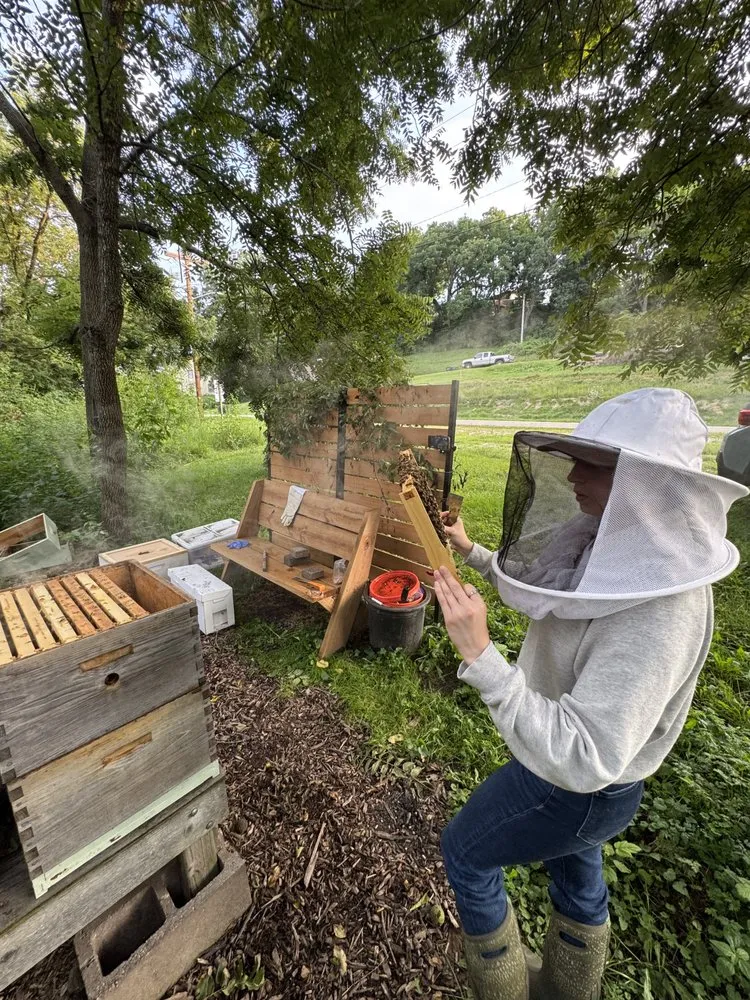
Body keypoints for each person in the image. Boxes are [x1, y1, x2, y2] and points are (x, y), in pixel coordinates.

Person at [432, 388, 748, 1000]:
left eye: (596, 465)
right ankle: (570, 990)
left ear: (648, 484)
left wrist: (482, 657)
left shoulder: (663, 608)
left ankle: (503, 990)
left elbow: (583, 755)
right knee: (576, 868)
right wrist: (471, 552)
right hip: (592, 795)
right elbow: (550, 587)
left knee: (466, 852)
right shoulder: (607, 534)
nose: (574, 475)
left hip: (576, 786)